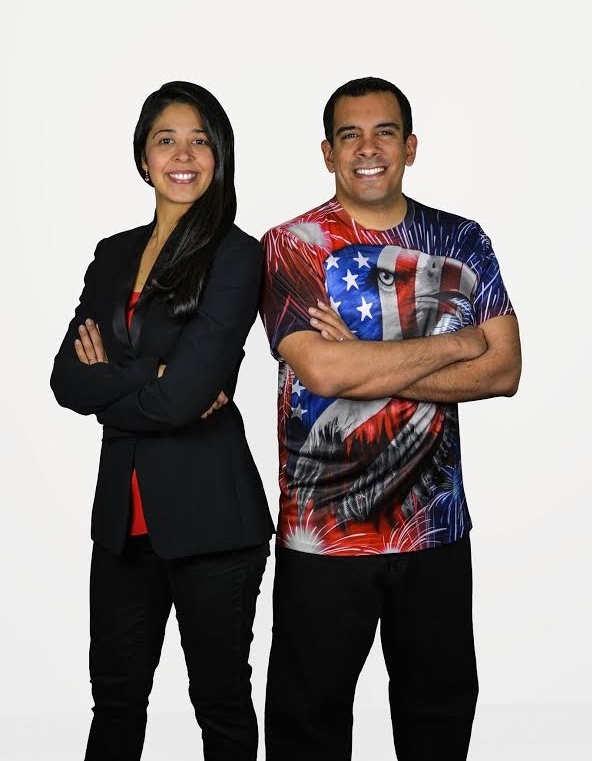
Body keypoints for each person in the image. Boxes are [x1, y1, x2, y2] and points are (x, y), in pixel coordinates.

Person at [259, 76, 521, 761]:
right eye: (350, 135)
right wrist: (457, 344)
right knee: (307, 730)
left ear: (410, 146)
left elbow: (503, 371)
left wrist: (366, 358)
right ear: (327, 152)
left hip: (433, 530)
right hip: (324, 535)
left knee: (438, 724)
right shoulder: (292, 245)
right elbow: (324, 371)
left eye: (384, 133)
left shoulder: (462, 239)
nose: (367, 149)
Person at [50, 80, 274, 761]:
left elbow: (183, 400)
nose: (183, 155)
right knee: (115, 704)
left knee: (220, 705)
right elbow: (65, 378)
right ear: (143, 157)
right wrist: (157, 374)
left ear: (219, 156)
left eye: (200, 141)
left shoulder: (236, 254)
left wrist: (121, 382)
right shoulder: (112, 254)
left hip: (213, 521)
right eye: (166, 140)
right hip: (123, 525)